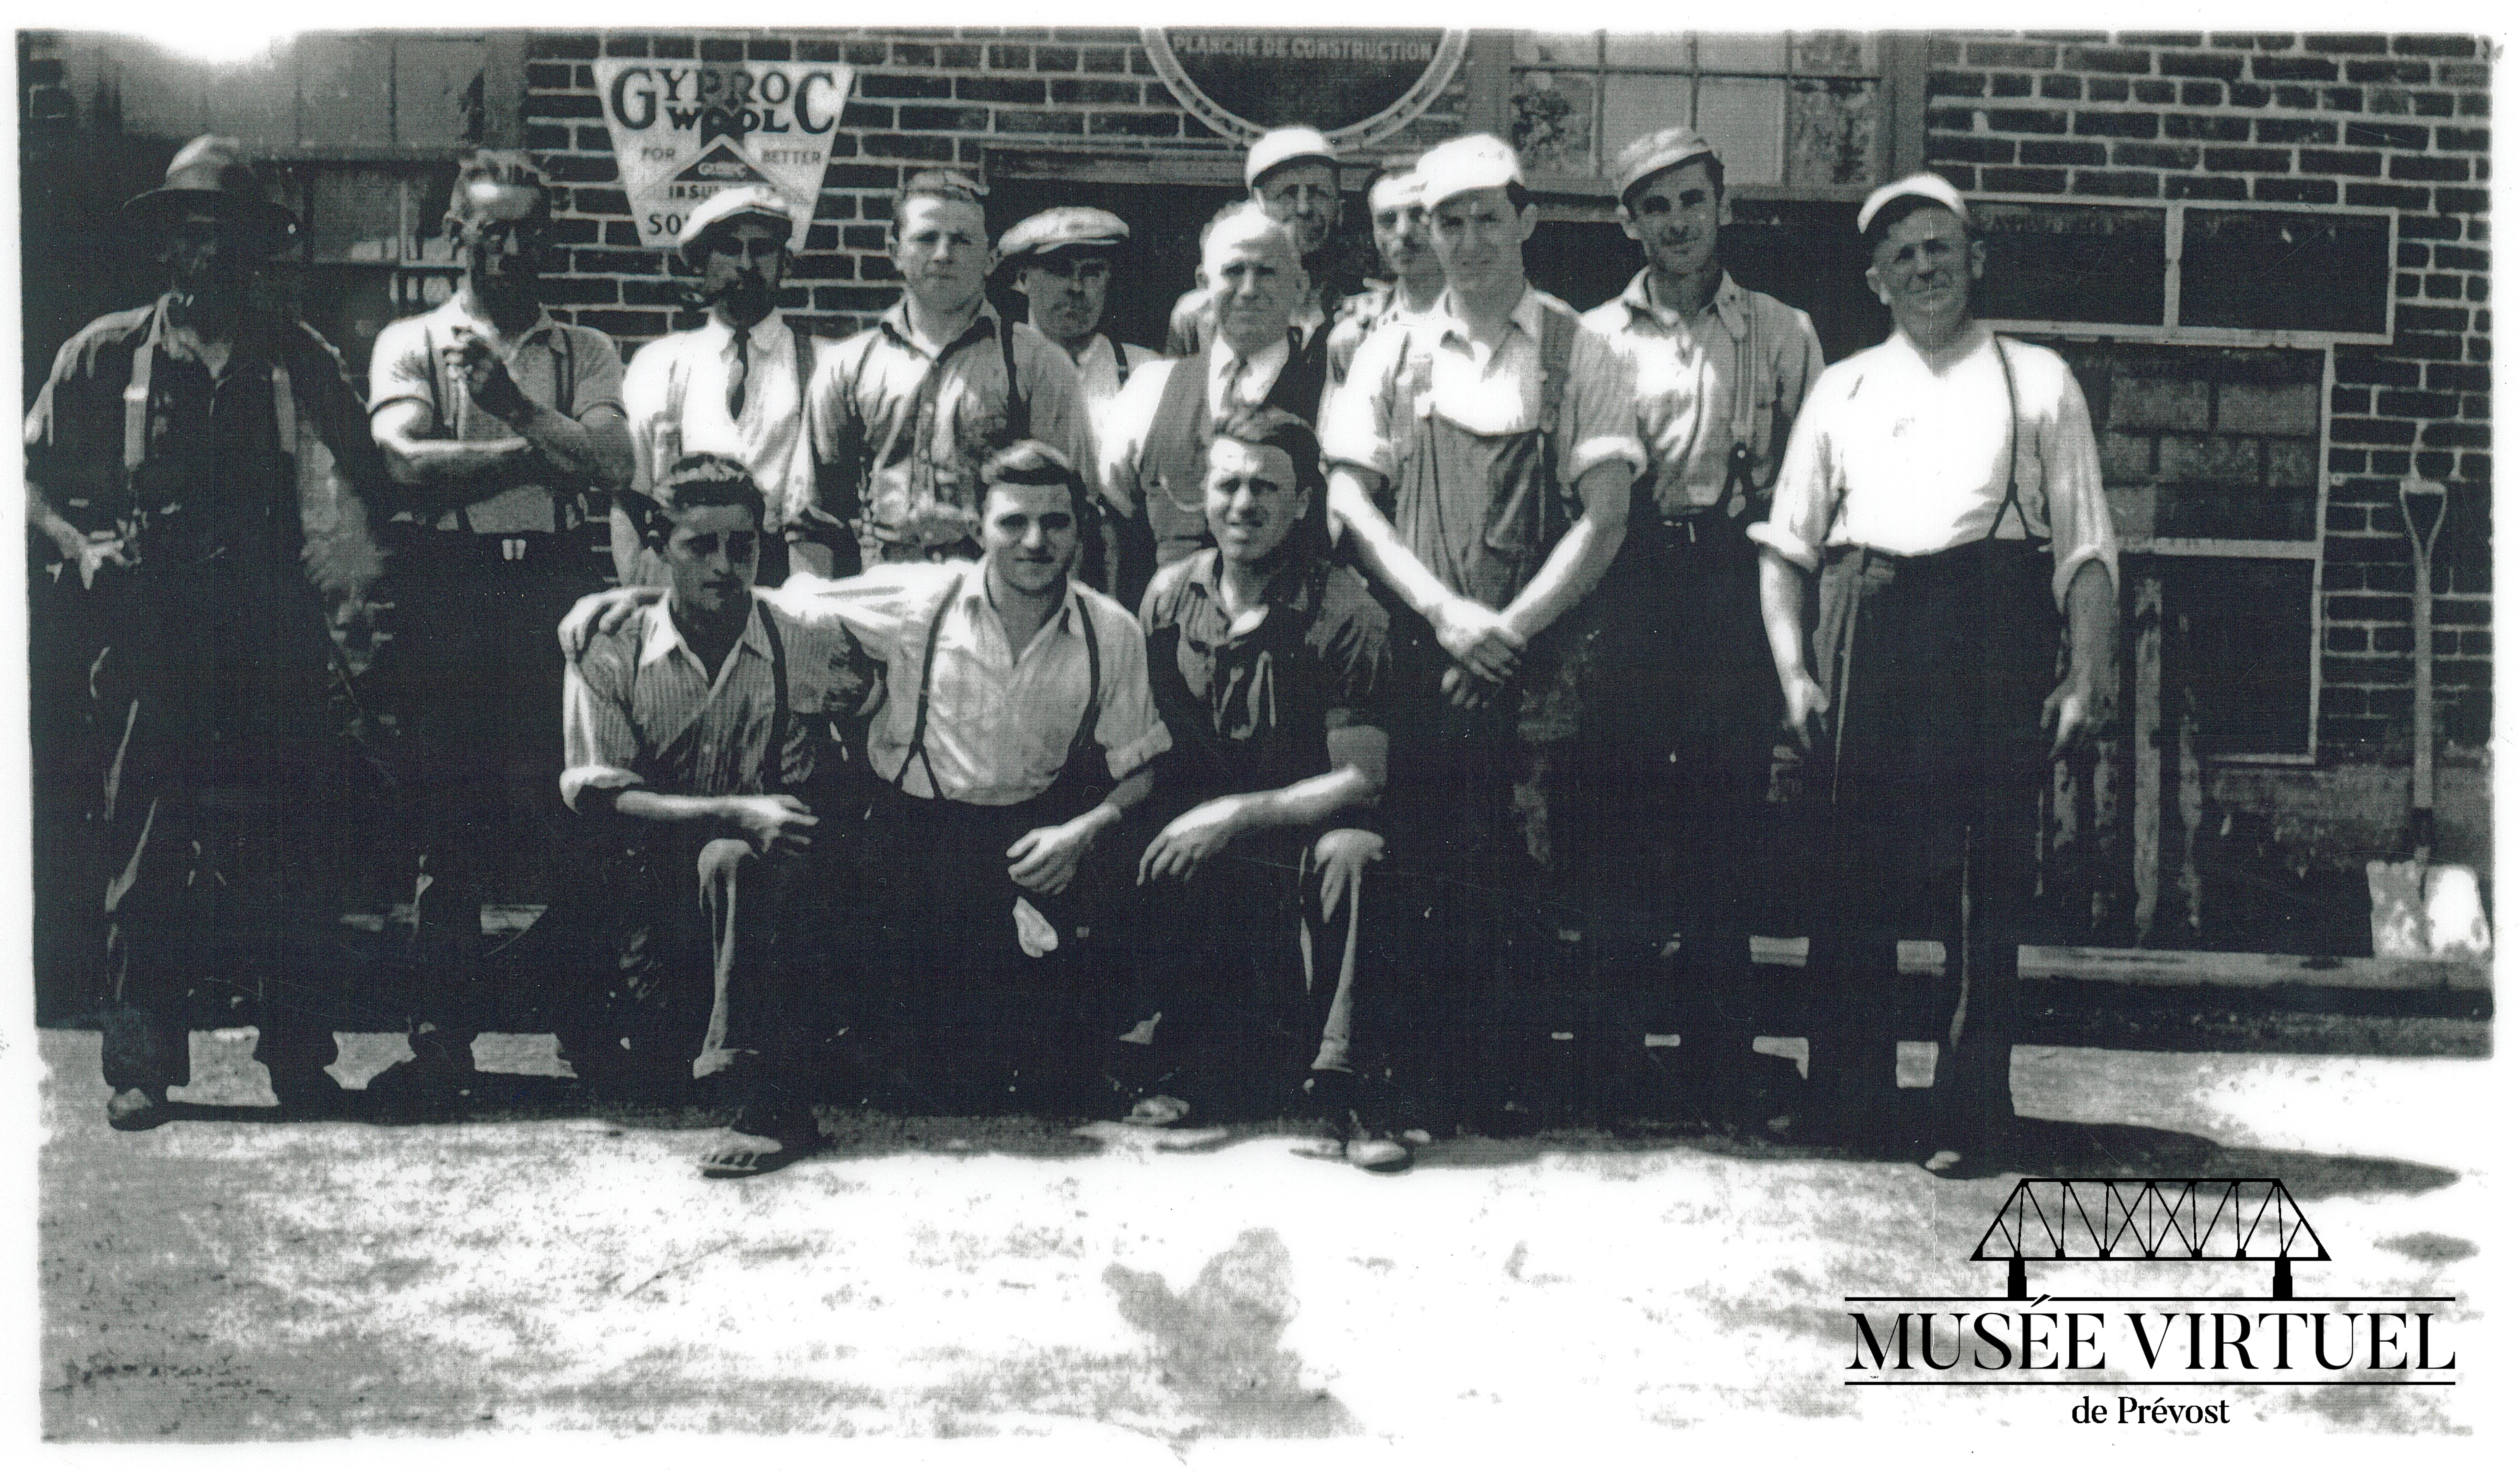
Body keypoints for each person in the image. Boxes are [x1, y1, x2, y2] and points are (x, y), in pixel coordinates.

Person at [565, 441, 1169, 1108]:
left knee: (1033, 1070)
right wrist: (648, 594)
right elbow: (784, 597)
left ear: (1079, 528)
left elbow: (1139, 771)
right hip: (919, 841)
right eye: (1012, 523)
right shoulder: (917, 597)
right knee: (913, 1076)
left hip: (1034, 843)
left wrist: (1083, 831)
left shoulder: (1109, 631)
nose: (1034, 542)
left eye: (1054, 523)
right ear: (977, 528)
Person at [1751, 173, 2118, 1174]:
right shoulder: (1845, 387)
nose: (1923, 267)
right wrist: (1794, 669)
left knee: (1979, 877)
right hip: (1863, 616)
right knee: (1848, 871)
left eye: (1939, 247)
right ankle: (1849, 1097)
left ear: (1975, 259)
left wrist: (2085, 672)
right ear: (1875, 279)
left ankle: (1968, 1108)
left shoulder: (2036, 378)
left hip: (1988, 620)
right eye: (1902, 254)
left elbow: (2084, 547)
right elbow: (1787, 547)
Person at [23, 136, 393, 1129]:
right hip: (155, 633)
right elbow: (29, 480)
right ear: (167, 249)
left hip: (272, 627)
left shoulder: (293, 351)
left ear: (255, 253)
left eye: (230, 239)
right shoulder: (105, 354)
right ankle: (142, 1065)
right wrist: (82, 548)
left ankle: (301, 1058)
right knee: (147, 847)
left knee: (299, 844)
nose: (211, 258)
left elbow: (371, 465)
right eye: (193, 237)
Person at [1320, 134, 1643, 1131]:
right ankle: (1408, 1078)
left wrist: (1510, 627)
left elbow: (1605, 513)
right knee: (1420, 856)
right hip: (1421, 652)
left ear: (1526, 221)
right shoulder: (1392, 350)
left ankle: (1503, 1081)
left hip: (1536, 658)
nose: (1464, 241)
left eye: (1484, 219)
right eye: (1443, 222)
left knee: (1526, 863)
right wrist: (1443, 613)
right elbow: (1352, 501)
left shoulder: (1579, 348)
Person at [365, 149, 635, 1108]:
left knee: (578, 807)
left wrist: (514, 410)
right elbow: (403, 470)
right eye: (493, 229)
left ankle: (590, 1028)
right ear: (456, 234)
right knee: (451, 820)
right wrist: (545, 453)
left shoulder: (587, 349)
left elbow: (611, 465)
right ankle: (441, 1041)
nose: (513, 247)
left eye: (531, 229)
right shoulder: (411, 341)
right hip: (453, 585)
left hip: (557, 589)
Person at [1579, 129, 1828, 1122]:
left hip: (1732, 580)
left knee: (1725, 828)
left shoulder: (1781, 330)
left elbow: (1811, 486)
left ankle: (1720, 1065)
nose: (1675, 223)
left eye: (1691, 200)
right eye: (1654, 206)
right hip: (1628, 580)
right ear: (1626, 222)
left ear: (1723, 204)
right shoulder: (1591, 336)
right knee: (1622, 825)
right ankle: (1609, 1064)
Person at [560, 455, 878, 1176]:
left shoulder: (806, 635)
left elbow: (905, 637)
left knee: (735, 858)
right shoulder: (609, 645)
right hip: (649, 890)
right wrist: (735, 808)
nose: (725, 565)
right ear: (659, 549)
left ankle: (769, 1103)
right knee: (637, 1062)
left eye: (743, 546)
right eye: (699, 547)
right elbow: (601, 795)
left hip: (773, 886)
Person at [1121, 408, 1409, 1170]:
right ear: (1201, 493)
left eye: (1265, 488)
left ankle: (1346, 1091)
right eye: (1228, 484)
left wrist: (1236, 813)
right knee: (1155, 834)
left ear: (1303, 502)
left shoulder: (1346, 609)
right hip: (1214, 834)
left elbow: (1363, 777)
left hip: (1310, 827)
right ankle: (1186, 1064)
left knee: (1353, 854)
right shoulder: (1167, 598)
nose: (1243, 504)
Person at [811, 171, 1095, 571]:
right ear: (894, 251)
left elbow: (1074, 514)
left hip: (995, 591)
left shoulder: (1039, 365)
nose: (943, 254)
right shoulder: (847, 366)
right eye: (927, 238)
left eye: (961, 241)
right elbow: (812, 516)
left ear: (991, 259)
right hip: (880, 588)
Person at [1098, 203, 1329, 608]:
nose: (1249, 289)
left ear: (1299, 285)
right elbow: (1118, 514)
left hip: (1293, 642)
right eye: (1234, 271)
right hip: (1171, 639)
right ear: (1204, 283)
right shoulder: (1150, 389)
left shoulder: (1331, 391)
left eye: (1267, 272)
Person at [618, 186, 843, 590]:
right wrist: (640, 592)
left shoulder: (827, 365)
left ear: (784, 263)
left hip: (787, 573)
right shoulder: (657, 365)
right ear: (701, 263)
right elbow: (630, 499)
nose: (745, 264)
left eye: (761, 249)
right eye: (727, 249)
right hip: (686, 570)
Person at [1164, 126, 1359, 359]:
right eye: (1288, 194)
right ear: (1257, 206)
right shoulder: (1202, 314)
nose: (1304, 208)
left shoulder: (1358, 310)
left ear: (1339, 210)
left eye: (1319, 193)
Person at [997, 205, 1157, 443]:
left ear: (1109, 280)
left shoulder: (1145, 372)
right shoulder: (992, 368)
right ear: (1022, 280)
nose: (1076, 287)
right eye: (1060, 270)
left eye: (1092, 272)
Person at [1325, 159, 1445, 388]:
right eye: (1388, 220)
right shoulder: (1354, 338)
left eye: (1418, 215)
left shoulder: (1488, 318)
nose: (1403, 231)